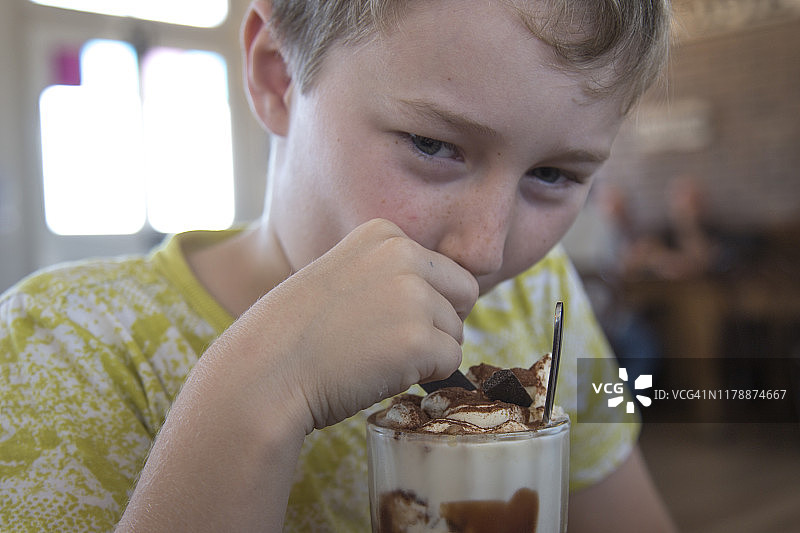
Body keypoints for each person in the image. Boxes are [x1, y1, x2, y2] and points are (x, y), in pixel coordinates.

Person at [1, 1, 677, 531]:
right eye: (433, 144)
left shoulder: (536, 293)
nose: (485, 251)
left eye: (553, 174)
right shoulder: (63, 345)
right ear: (278, 74)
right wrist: (258, 393)